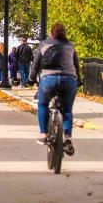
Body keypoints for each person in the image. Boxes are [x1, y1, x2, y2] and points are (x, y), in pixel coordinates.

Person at [31, 23, 81, 156]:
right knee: (67, 110)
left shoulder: (44, 44)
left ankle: (43, 134)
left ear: (51, 33)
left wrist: (31, 79)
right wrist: (79, 80)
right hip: (69, 80)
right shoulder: (70, 45)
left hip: (49, 79)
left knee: (42, 104)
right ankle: (67, 137)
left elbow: (35, 65)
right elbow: (76, 65)